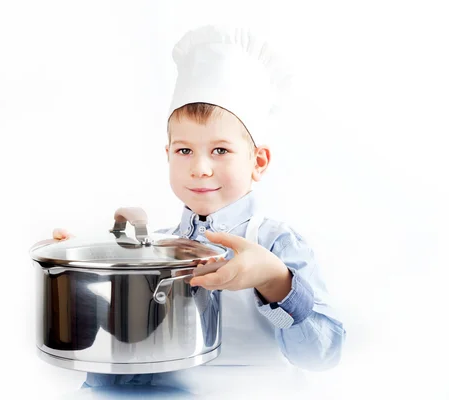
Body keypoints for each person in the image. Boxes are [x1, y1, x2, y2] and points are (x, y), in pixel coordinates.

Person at [51, 25, 346, 396]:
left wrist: (274, 279)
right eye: (185, 150)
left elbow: (323, 356)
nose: (200, 168)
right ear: (168, 155)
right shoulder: (155, 247)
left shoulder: (275, 242)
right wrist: (85, 276)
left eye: (220, 150)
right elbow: (122, 363)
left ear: (259, 161)